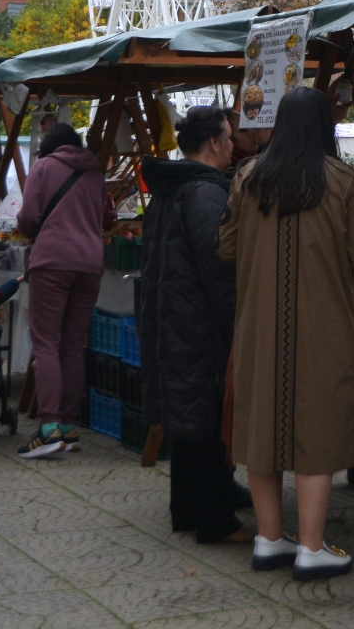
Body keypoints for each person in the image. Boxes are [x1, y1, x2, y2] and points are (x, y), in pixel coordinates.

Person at [218, 86, 354, 580]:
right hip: (326, 323)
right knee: (318, 425)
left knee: (262, 425)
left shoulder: (247, 178)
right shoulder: (343, 180)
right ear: (323, 126)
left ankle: (270, 539)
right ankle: (312, 547)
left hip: (258, 324)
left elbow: (224, 246)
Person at [138, 106, 247, 543]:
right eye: (229, 136)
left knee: (186, 418)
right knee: (204, 417)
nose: (234, 144)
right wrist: (237, 323)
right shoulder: (204, 194)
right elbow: (218, 268)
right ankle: (215, 521)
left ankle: (185, 508)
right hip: (197, 320)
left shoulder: (173, 186)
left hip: (173, 315)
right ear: (216, 143)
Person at [14, 122, 112, 459]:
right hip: (90, 263)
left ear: (49, 149)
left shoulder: (43, 167)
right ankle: (69, 428)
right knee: (72, 345)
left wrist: (31, 229)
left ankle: (49, 428)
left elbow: (27, 217)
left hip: (52, 261)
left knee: (47, 344)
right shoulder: (96, 173)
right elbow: (106, 219)